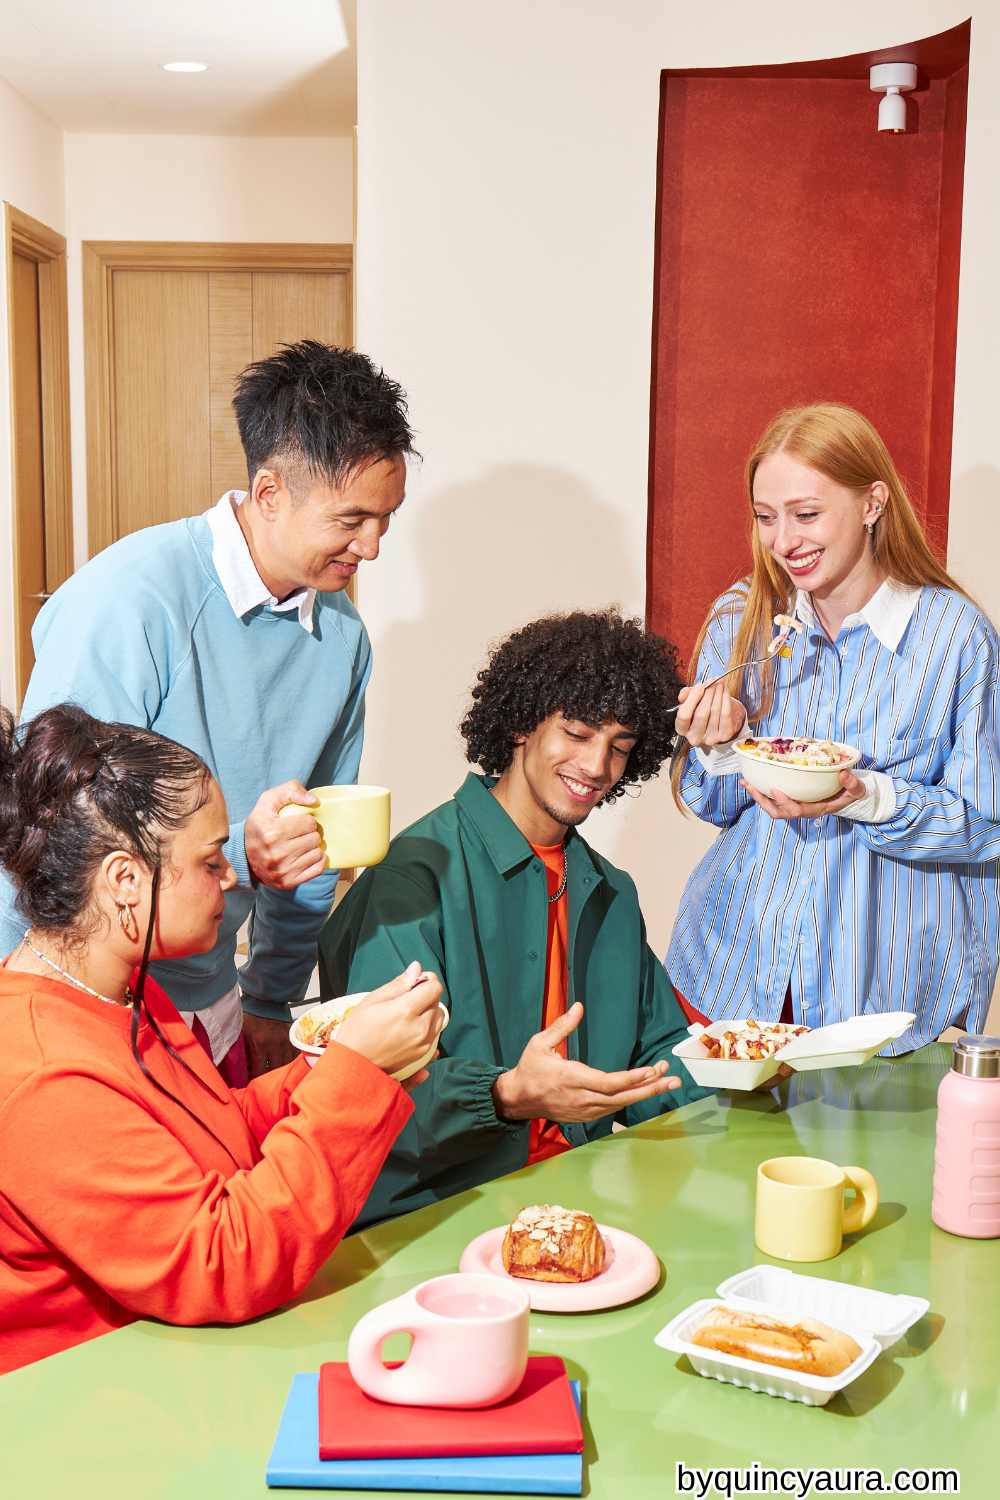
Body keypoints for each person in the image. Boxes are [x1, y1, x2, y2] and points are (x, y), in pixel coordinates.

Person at [0, 341, 415, 1082]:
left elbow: (313, 850)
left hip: (211, 995)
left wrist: (272, 1000)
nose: (373, 547)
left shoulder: (343, 639)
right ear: (269, 493)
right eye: (353, 519)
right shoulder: (129, 602)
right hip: (80, 1001)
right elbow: (50, 834)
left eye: (386, 518)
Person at [0, 705, 444, 1375]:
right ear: (126, 881)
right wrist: (356, 1076)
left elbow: (213, 1127)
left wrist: (341, 1065)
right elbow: (221, 1262)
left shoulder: (123, 987)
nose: (231, 877)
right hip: (93, 1392)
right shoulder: (42, 1075)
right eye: (210, 860)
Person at [319, 609, 710, 1229]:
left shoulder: (610, 891)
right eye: (577, 733)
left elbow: (658, 1050)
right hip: (435, 1213)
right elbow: (369, 1087)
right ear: (522, 723)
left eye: (620, 747)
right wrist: (507, 1095)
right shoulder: (412, 878)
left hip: (577, 1197)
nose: (597, 766)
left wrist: (745, 1071)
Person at [667, 402, 1000, 1051]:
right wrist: (719, 747)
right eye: (766, 517)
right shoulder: (744, 619)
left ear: (872, 503)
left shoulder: (956, 638)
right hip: (737, 971)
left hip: (886, 998)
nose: (783, 541)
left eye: (806, 514)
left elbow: (986, 826)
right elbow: (714, 805)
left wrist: (865, 796)